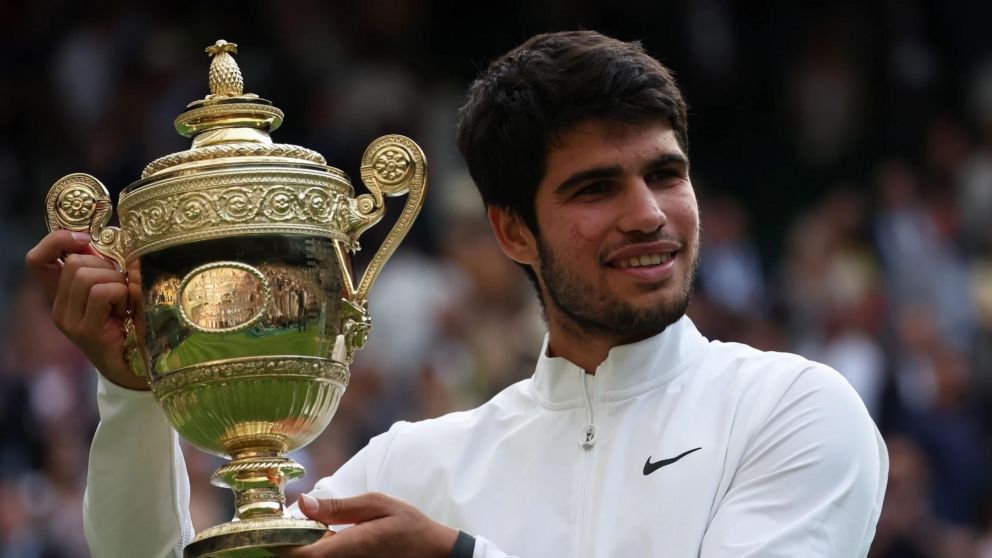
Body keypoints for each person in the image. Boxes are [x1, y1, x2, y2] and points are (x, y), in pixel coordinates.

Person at [26, 30, 888, 557]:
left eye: (666, 175)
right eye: (594, 189)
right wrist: (134, 393)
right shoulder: (416, 469)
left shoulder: (792, 409)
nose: (649, 216)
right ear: (512, 231)